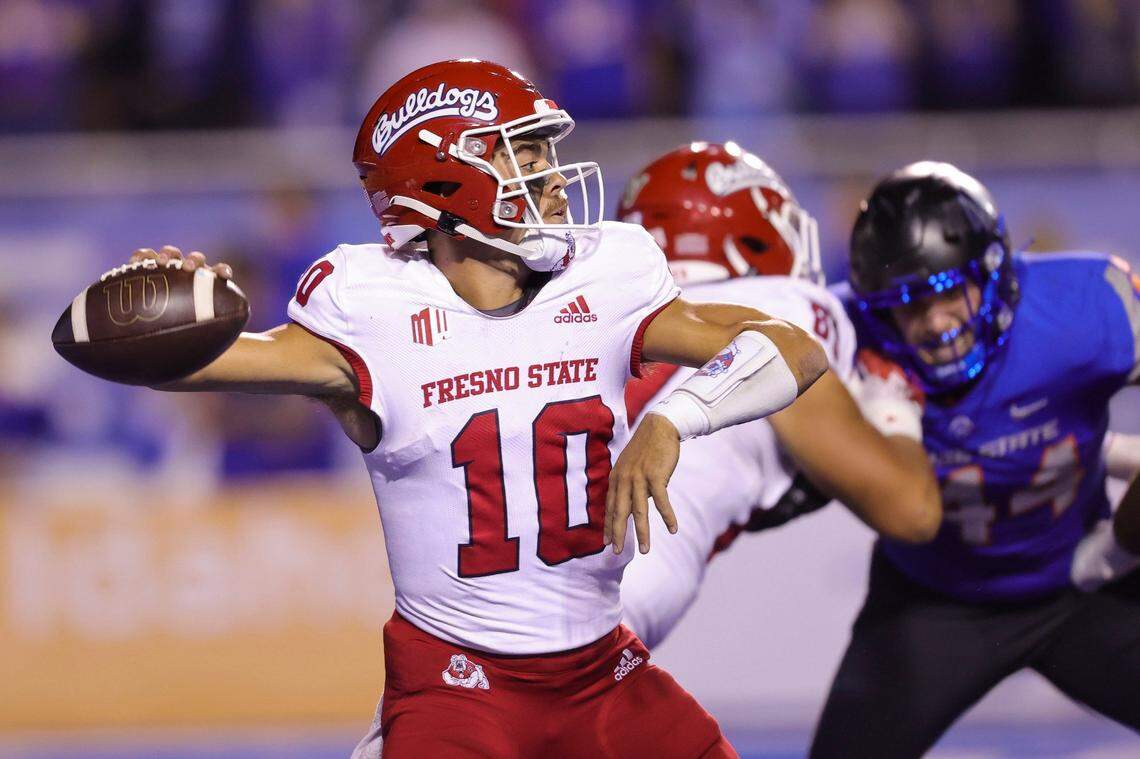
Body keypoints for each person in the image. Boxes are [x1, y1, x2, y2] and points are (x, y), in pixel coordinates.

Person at [117, 60, 828, 757]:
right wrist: (165, 326)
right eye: (526, 154)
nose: (553, 179)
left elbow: (794, 349)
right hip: (460, 691)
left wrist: (676, 418)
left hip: (603, 674)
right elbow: (208, 364)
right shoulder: (372, 309)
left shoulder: (608, 273)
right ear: (445, 183)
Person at [810, 161, 1140, 758]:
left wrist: (1122, 545)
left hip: (1084, 579)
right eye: (906, 306)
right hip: (935, 599)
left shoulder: (1086, 307)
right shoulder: (842, 334)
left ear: (992, 273)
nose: (934, 325)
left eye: (945, 293)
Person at [614, 141, 941, 649]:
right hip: (596, 614)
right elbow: (910, 510)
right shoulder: (780, 308)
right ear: (754, 236)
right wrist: (892, 403)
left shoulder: (592, 312)